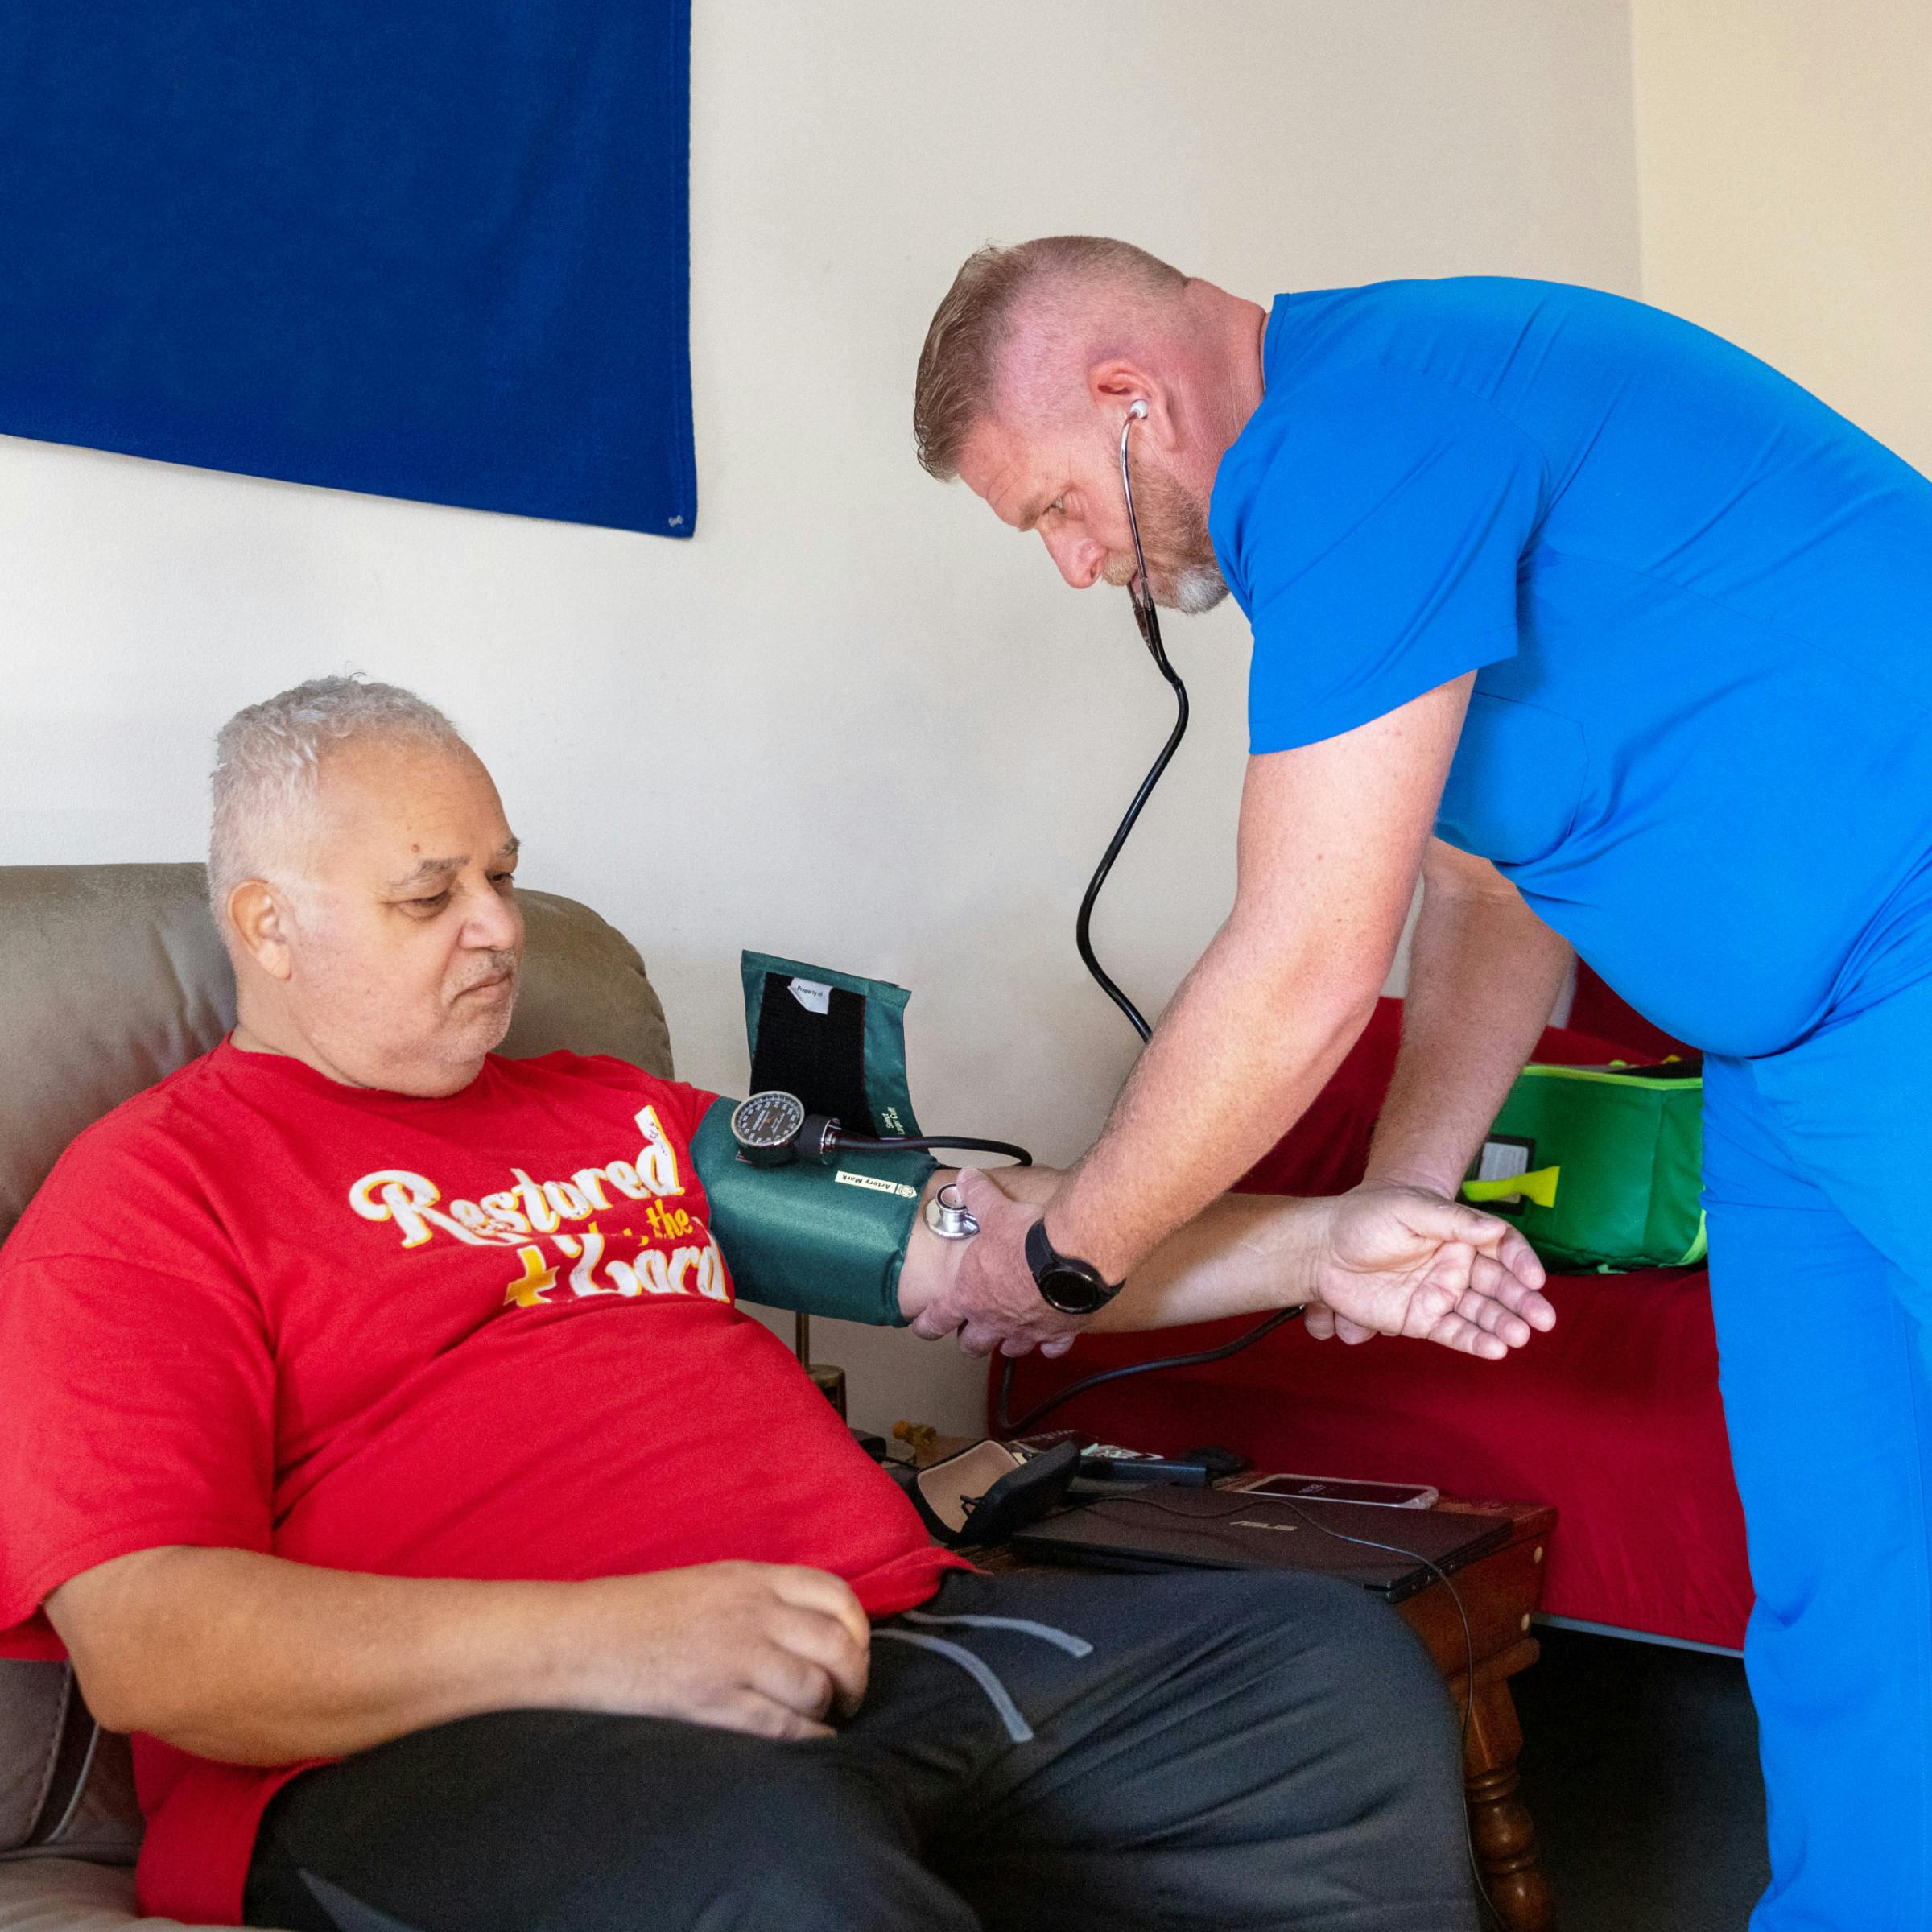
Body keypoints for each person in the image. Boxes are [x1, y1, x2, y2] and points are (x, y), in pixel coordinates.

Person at [0, 675, 1548, 1932]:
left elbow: (998, 1246)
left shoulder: (619, 1112)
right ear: (270, 927)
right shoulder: (145, 1205)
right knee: (771, 1855)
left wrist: (1326, 1245)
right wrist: (611, 1644)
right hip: (437, 1750)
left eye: (502, 875)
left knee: (1317, 1674)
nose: (498, 928)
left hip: (891, 1645)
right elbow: (154, 1646)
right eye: (429, 896)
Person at [910, 236, 1932, 1932]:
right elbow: (1483, 894)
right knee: (1856, 1592)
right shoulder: (1374, 471)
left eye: (1054, 514)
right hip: (1788, 1065)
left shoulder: (1354, 435)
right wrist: (1402, 1192)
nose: (1078, 566)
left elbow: (1304, 960)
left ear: (1130, 400)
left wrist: (1068, 1255)